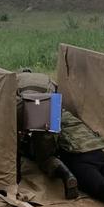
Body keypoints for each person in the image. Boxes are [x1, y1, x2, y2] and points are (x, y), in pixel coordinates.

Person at [16, 69, 78, 199]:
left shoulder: (15, 78)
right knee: (46, 155)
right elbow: (57, 100)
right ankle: (68, 176)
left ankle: (15, 178)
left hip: (23, 104)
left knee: (11, 142)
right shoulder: (46, 77)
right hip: (50, 104)